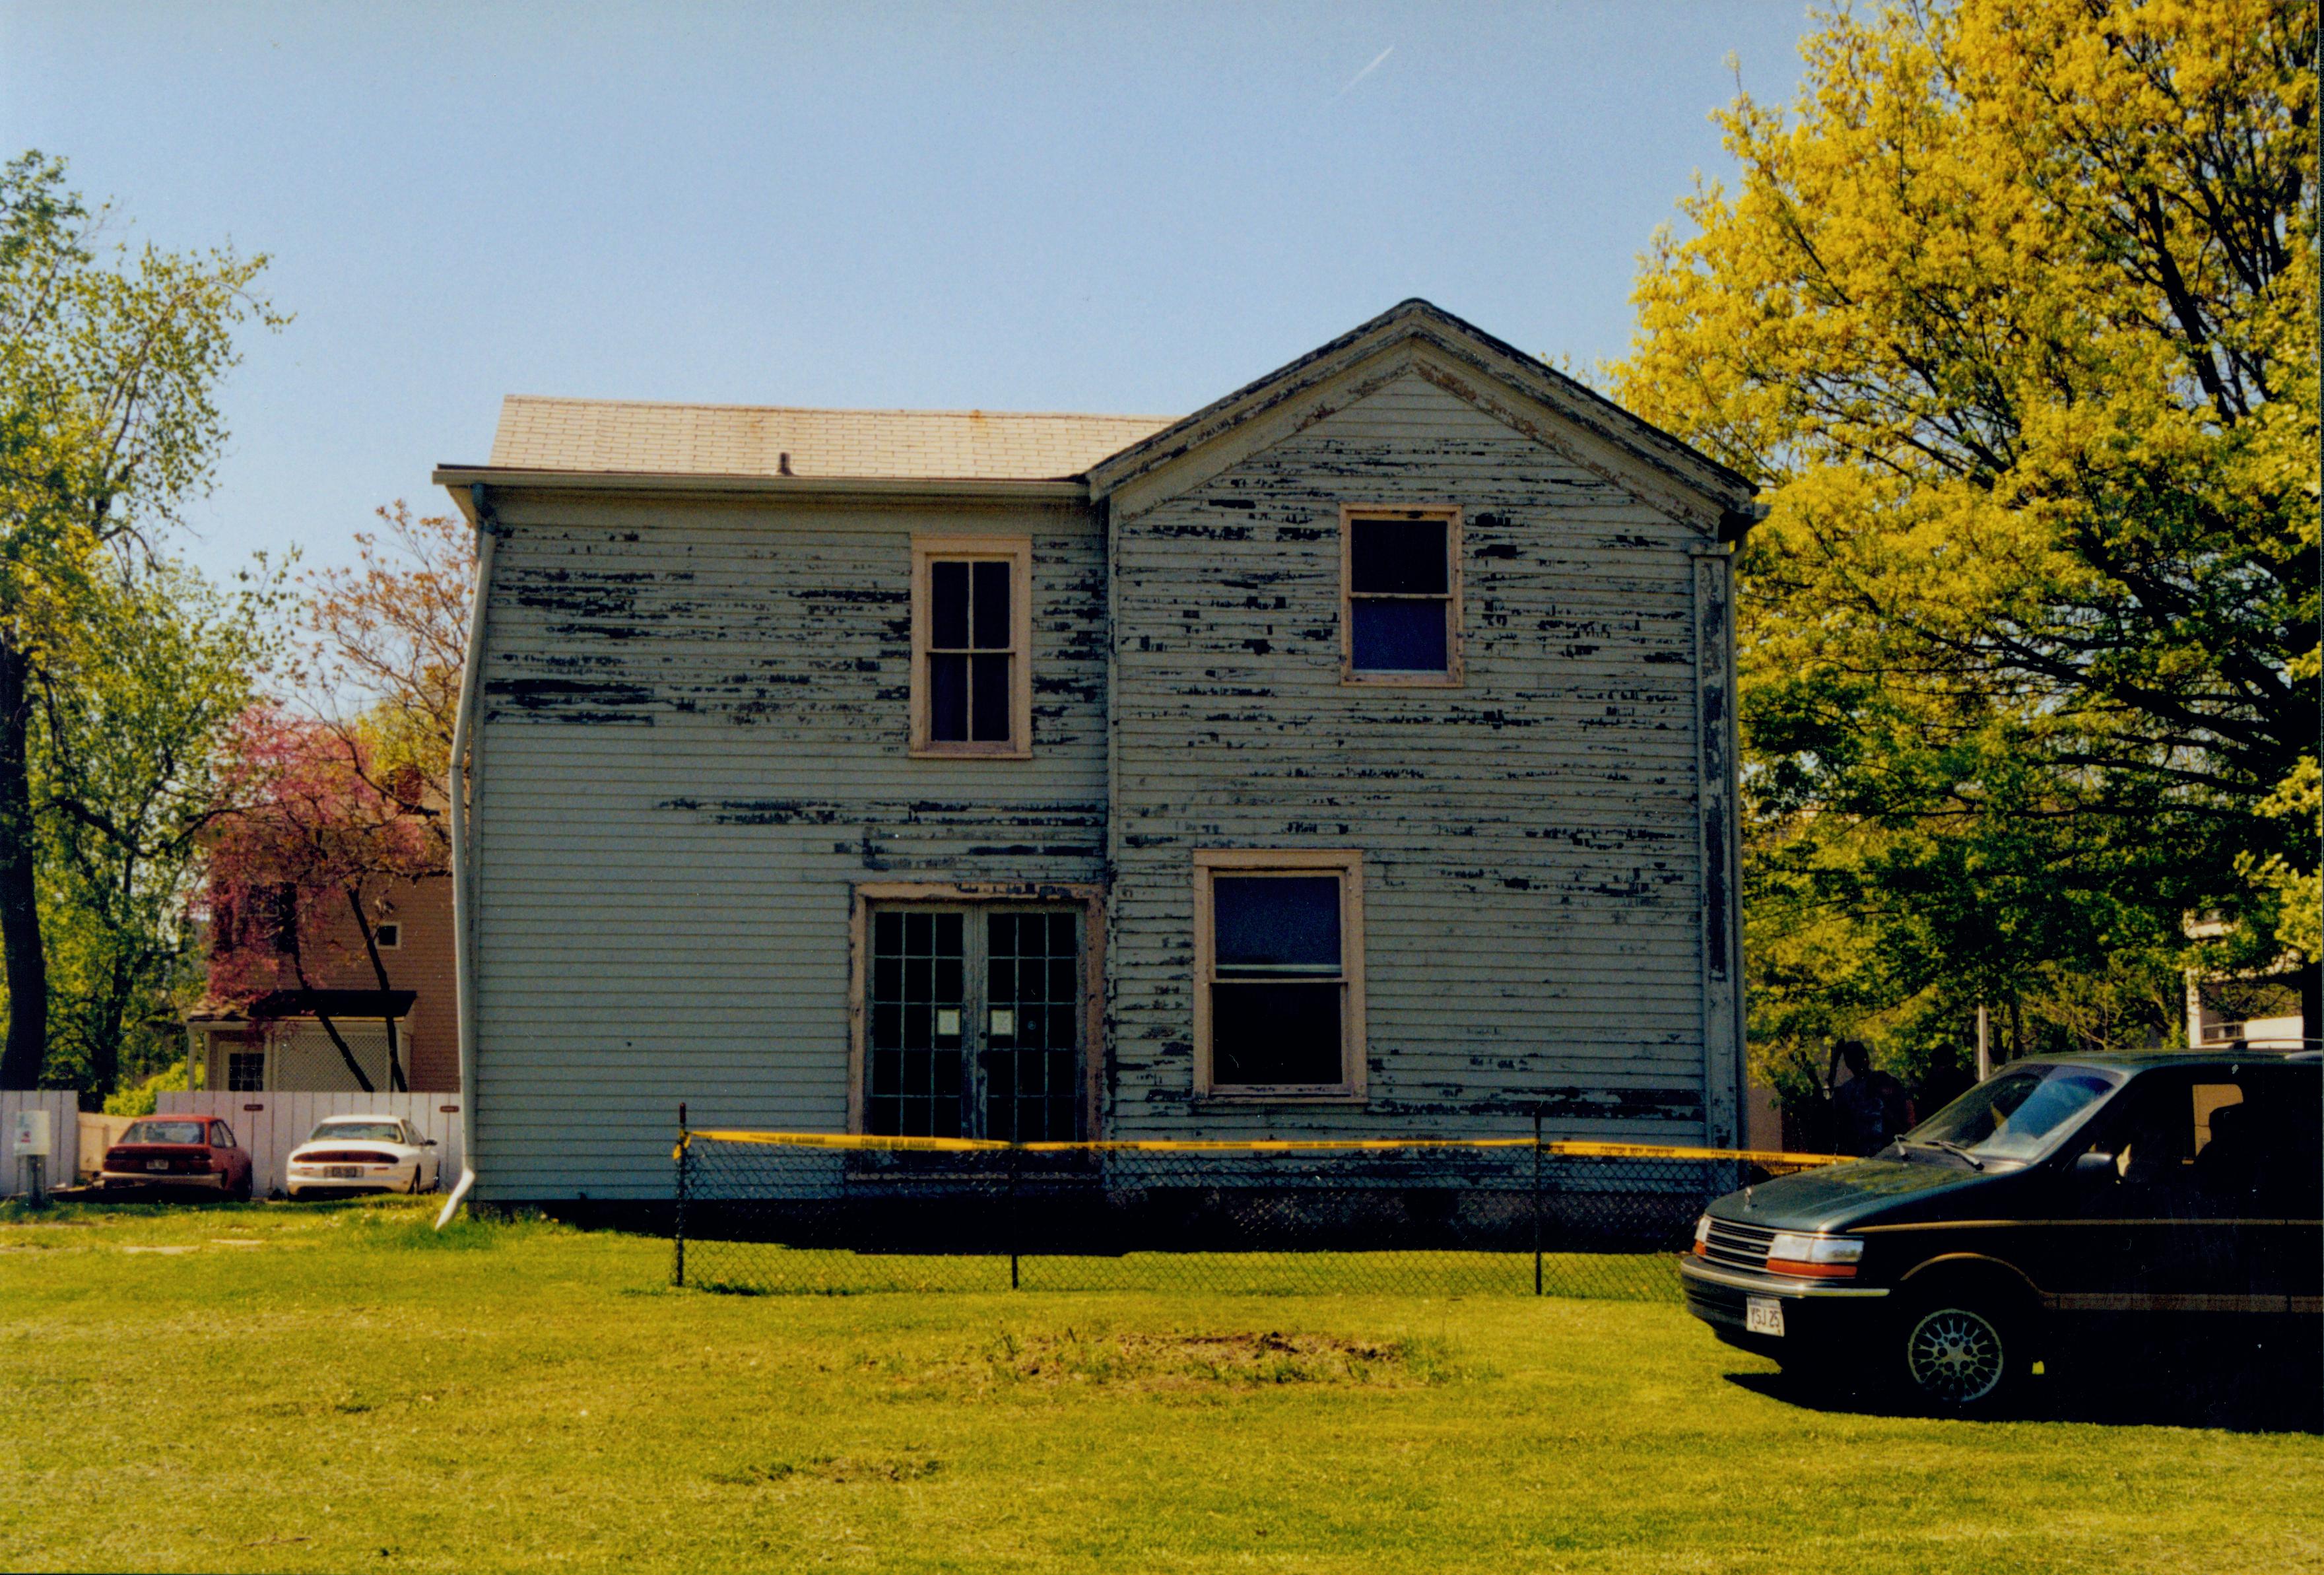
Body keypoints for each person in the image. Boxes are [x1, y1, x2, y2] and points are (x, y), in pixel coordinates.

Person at [1828, 1040, 1915, 1156]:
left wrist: (1908, 1134)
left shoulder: (1883, 1080)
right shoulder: (1845, 1091)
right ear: (1848, 1064)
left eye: (1859, 1058)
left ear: (1866, 1059)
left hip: (1887, 1150)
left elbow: (1905, 1109)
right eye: (1851, 1060)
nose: (1856, 1063)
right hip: (1860, 1153)